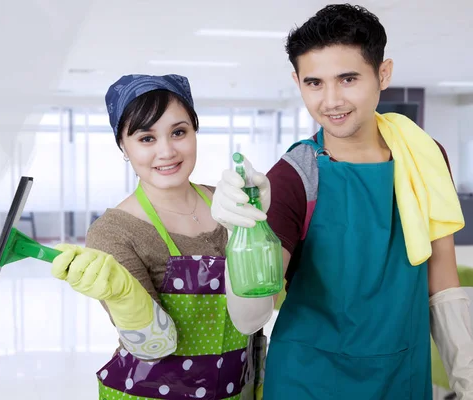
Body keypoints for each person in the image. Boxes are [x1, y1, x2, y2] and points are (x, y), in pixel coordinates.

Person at [211, 4, 473, 399]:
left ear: (382, 74)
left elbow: (443, 281)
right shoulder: (293, 177)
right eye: (314, 83)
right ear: (297, 81)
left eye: (347, 78)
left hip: (403, 376)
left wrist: (465, 377)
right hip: (310, 381)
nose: (330, 100)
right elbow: (250, 318)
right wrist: (244, 234)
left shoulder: (424, 156)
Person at [50, 74, 266, 399]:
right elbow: (155, 346)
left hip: (236, 388)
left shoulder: (229, 203)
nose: (166, 151)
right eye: (146, 138)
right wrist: (124, 296)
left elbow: (268, 299)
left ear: (195, 133)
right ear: (123, 146)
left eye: (179, 132)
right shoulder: (114, 231)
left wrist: (259, 230)